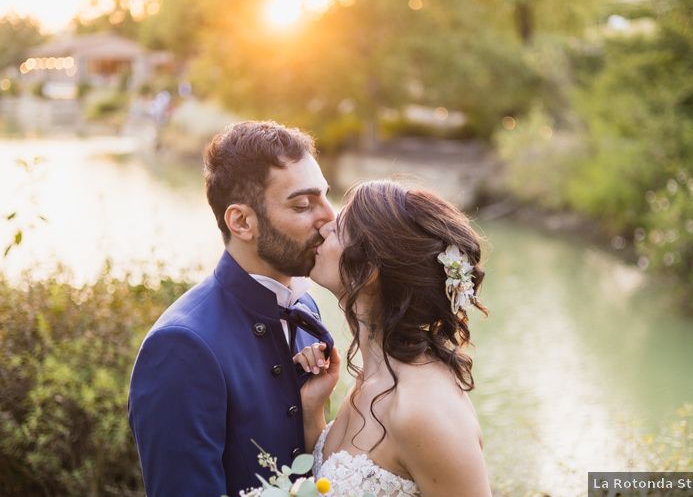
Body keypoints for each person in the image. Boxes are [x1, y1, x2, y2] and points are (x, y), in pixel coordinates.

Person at [128, 121, 336, 496]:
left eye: (324, 197)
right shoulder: (179, 347)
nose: (329, 217)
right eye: (304, 205)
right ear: (241, 222)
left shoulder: (305, 306)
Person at [294, 180, 492, 497]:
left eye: (340, 227)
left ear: (369, 269)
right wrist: (312, 410)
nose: (325, 227)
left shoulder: (423, 409)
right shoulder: (375, 376)